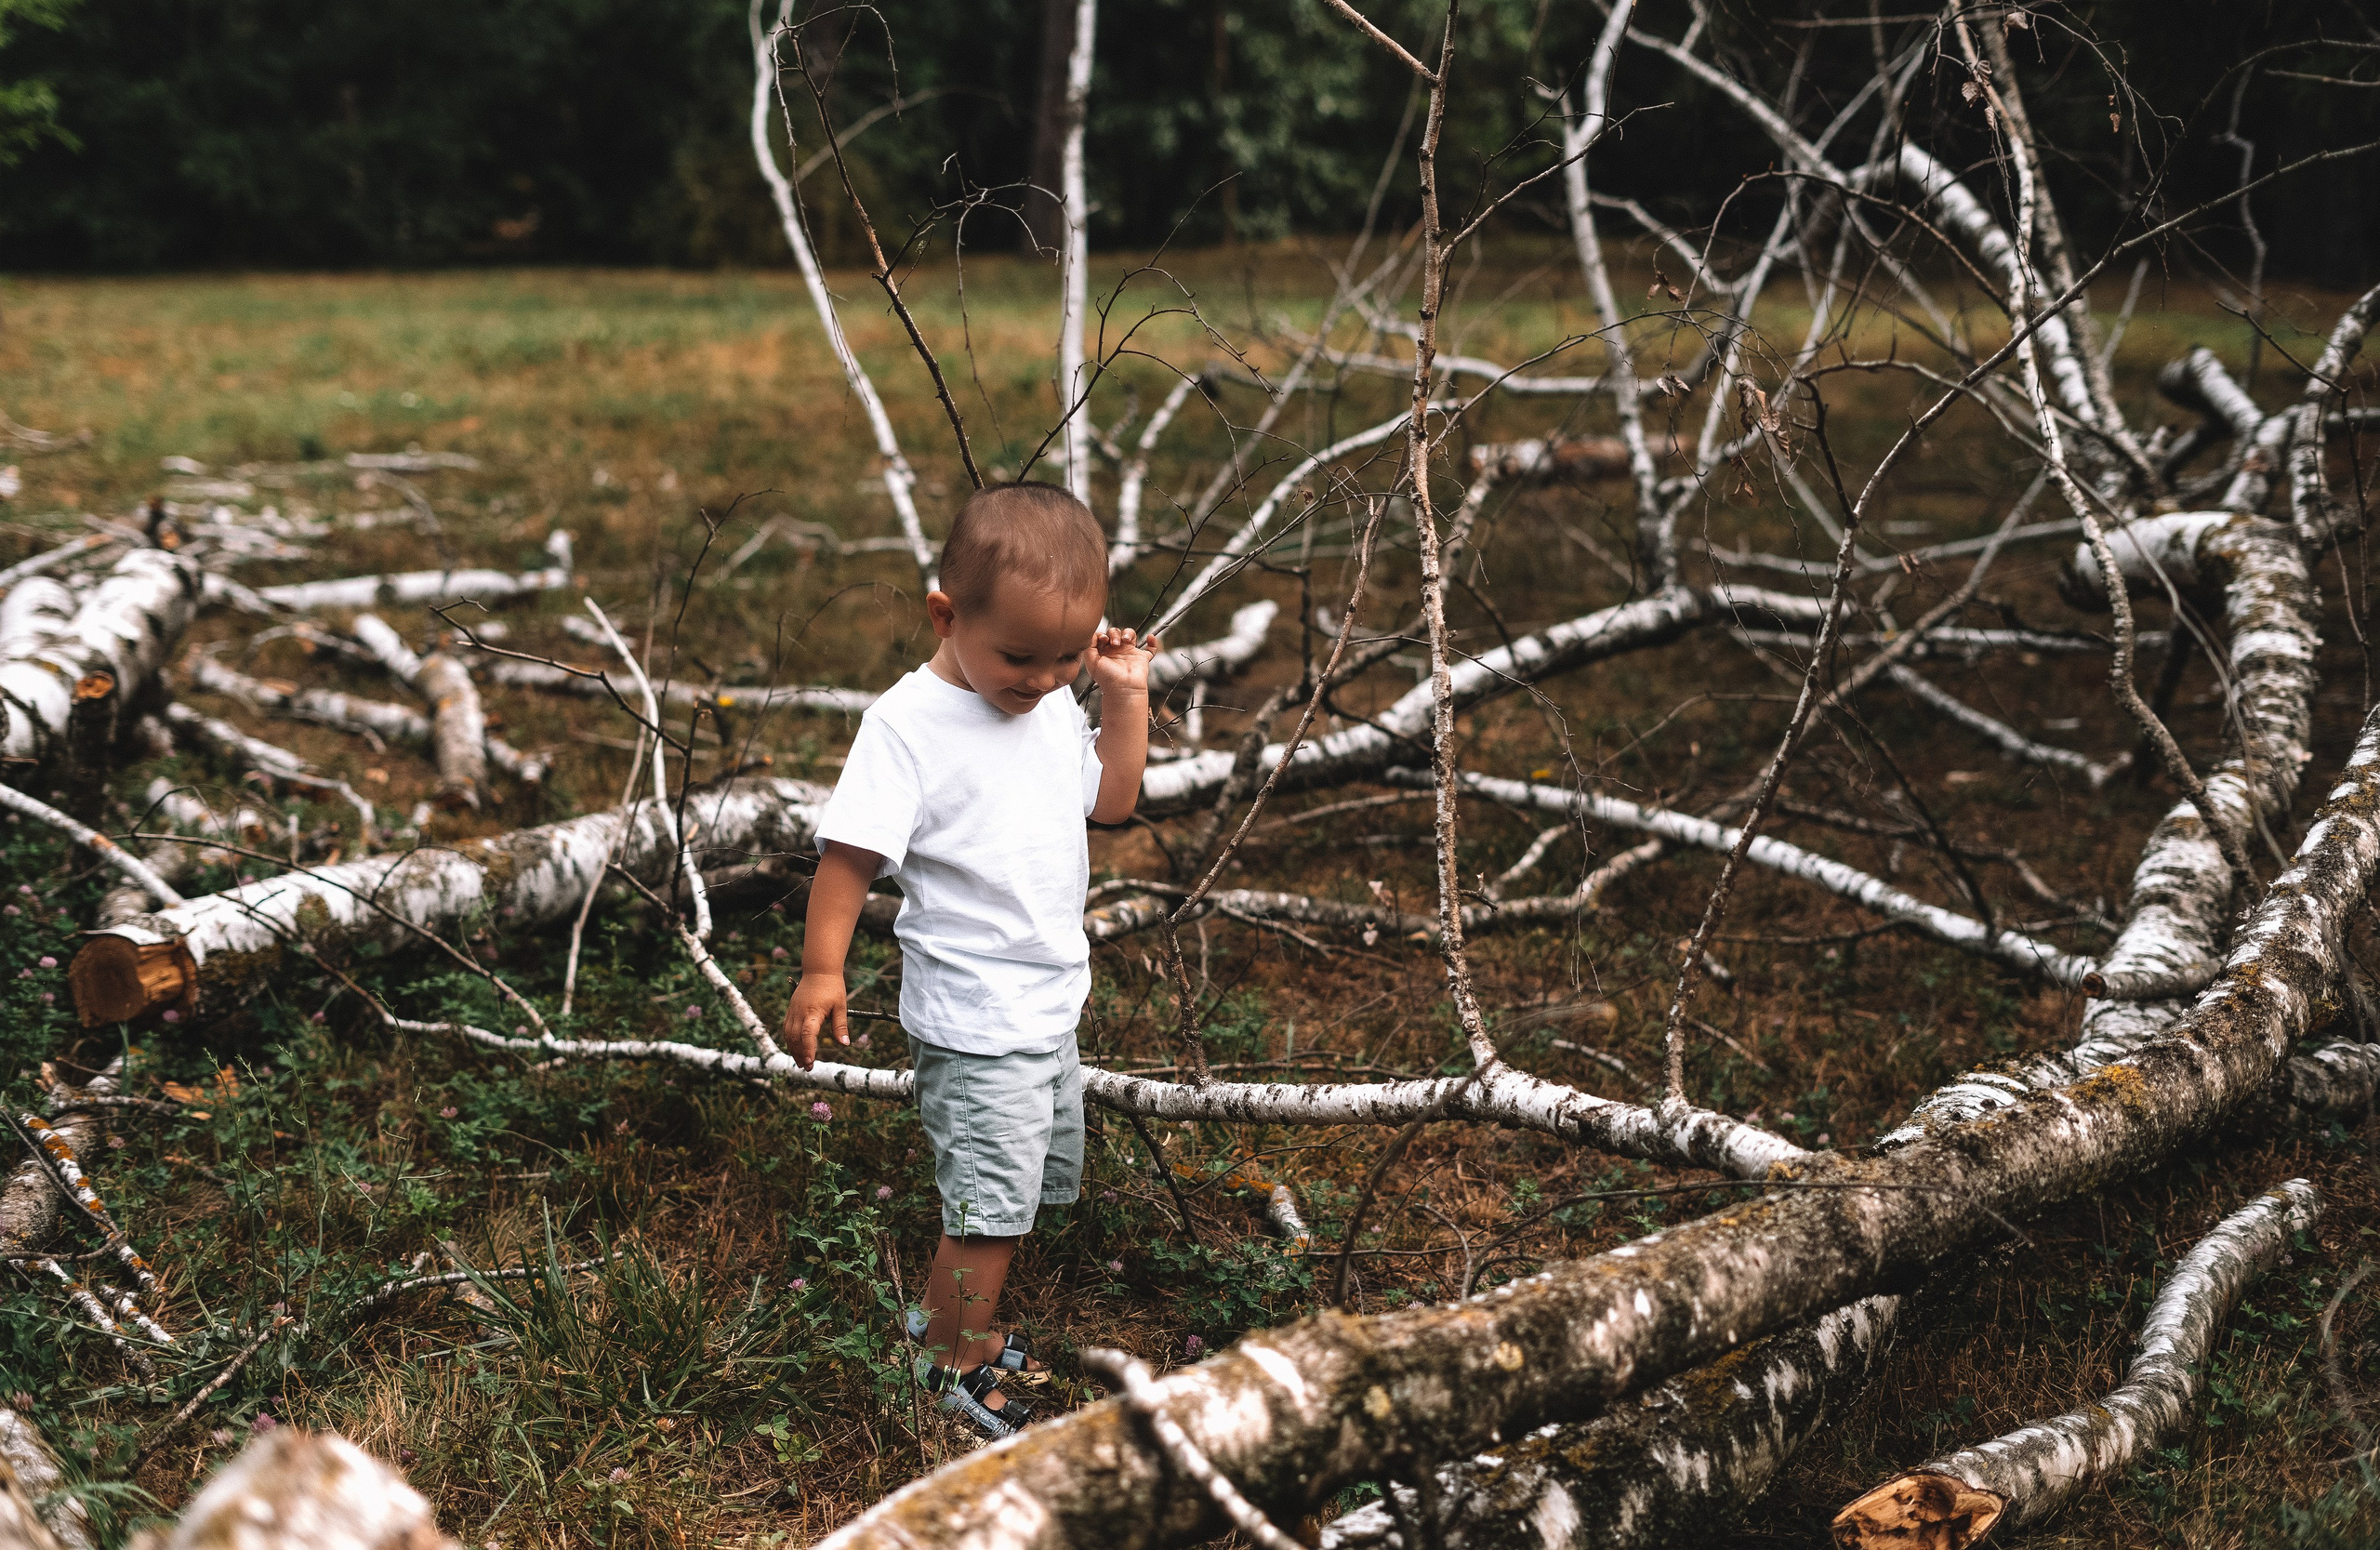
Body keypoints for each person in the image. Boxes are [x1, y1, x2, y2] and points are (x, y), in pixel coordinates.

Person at [782, 481, 1156, 1439]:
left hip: (1045, 1001)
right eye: (1020, 656)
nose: (1043, 678)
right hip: (976, 1016)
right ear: (947, 616)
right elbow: (848, 859)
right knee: (987, 1210)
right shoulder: (908, 726)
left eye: (1067, 656)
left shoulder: (1048, 703)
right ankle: (943, 1364)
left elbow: (1111, 802)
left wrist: (1121, 696)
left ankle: (958, 1326)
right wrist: (823, 970)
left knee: (1021, 1191)